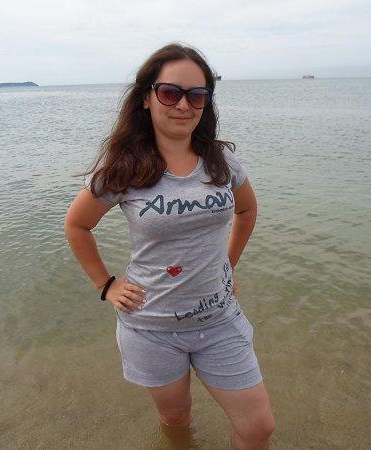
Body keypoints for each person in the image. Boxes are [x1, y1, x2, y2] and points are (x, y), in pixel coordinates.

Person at [64, 43, 275, 449]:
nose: (183, 105)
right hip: (151, 327)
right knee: (175, 418)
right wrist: (106, 285)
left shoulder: (221, 162)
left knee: (259, 426)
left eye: (197, 95)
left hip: (220, 320)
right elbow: (77, 225)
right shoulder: (124, 169)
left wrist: (228, 265)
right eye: (170, 92)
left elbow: (247, 211)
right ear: (146, 98)